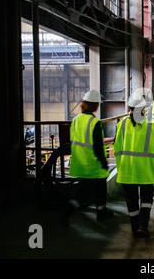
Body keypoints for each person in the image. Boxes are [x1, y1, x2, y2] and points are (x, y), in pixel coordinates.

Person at [62, 90, 113, 226]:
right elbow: (97, 146)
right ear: (95, 105)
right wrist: (103, 162)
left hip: (79, 162)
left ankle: (71, 211)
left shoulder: (76, 120)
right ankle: (98, 213)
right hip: (93, 164)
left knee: (85, 191)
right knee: (95, 190)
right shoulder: (94, 122)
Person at [114, 94, 154, 238]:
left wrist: (120, 166)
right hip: (145, 170)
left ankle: (135, 228)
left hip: (127, 169)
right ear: (143, 109)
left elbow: (117, 148)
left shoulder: (121, 124)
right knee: (146, 198)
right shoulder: (150, 126)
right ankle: (143, 226)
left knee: (131, 200)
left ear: (129, 108)